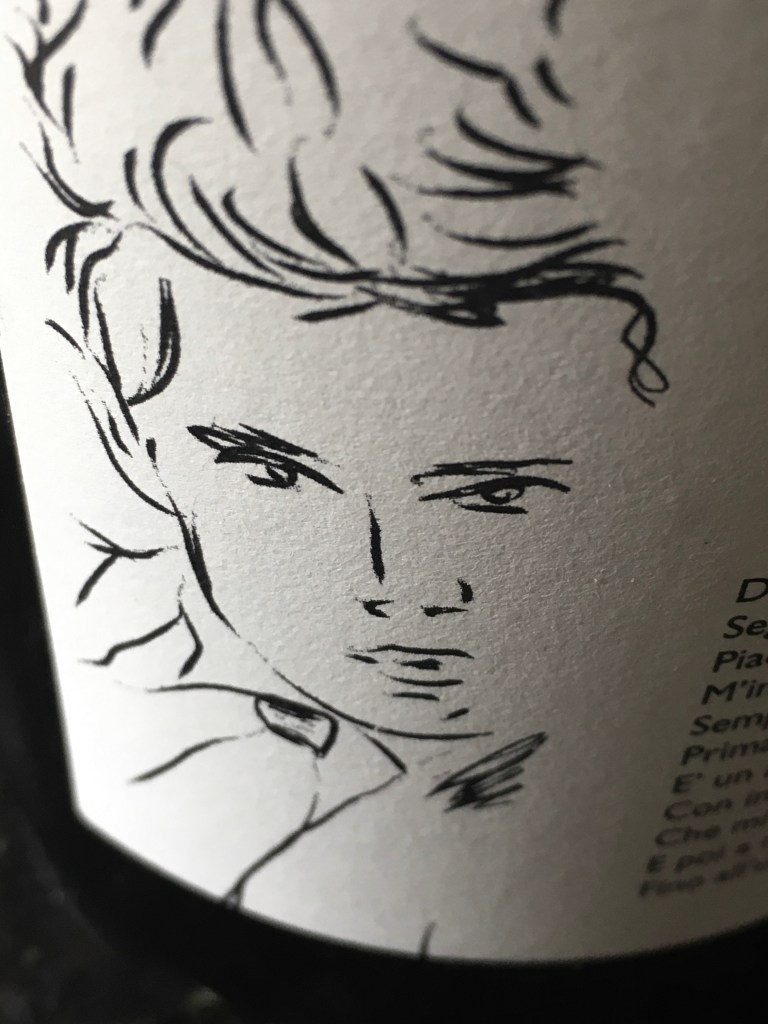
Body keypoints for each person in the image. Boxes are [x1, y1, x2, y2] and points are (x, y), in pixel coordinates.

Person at [10, 0, 667, 954]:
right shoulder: (141, 679)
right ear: (127, 433)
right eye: (270, 469)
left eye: (494, 494)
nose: (397, 585)